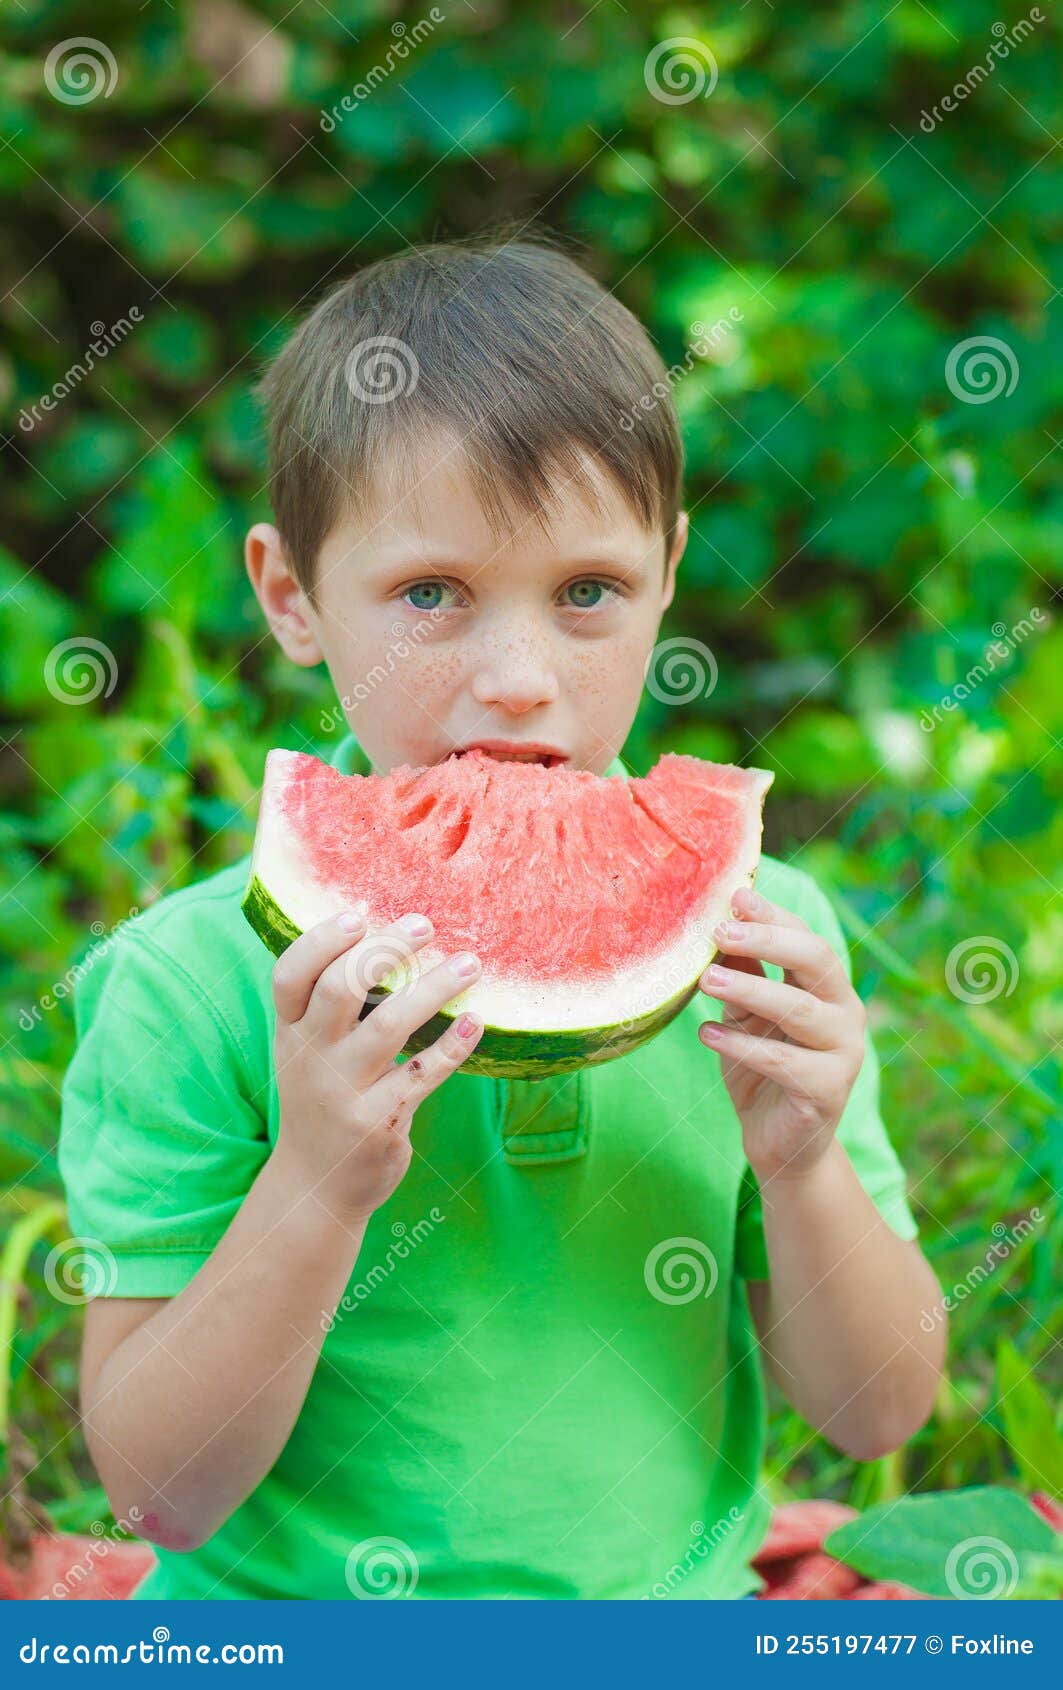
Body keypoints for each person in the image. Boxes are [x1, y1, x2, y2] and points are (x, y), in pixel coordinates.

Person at [58, 233, 945, 1601]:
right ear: (292, 596)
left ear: (668, 576)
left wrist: (806, 1158)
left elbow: (878, 1410)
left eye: (587, 593)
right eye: (432, 596)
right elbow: (156, 1491)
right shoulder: (189, 982)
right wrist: (316, 1179)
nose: (520, 679)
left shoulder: (762, 941)